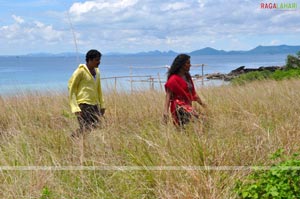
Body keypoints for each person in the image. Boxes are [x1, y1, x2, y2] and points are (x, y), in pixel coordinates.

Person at [68, 49, 105, 136]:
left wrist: (102, 105)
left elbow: (99, 89)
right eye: (97, 60)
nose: (99, 62)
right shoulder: (80, 71)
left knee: (95, 126)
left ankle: (79, 142)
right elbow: (71, 88)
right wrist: (75, 107)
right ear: (89, 60)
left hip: (95, 104)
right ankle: (73, 139)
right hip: (83, 105)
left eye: (99, 60)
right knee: (85, 127)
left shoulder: (97, 72)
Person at [163, 54, 206, 126]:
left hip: (188, 106)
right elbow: (168, 96)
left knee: (199, 122)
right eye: (188, 63)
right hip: (179, 107)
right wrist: (165, 112)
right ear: (182, 65)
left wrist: (204, 105)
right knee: (188, 126)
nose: (190, 65)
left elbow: (193, 94)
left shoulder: (187, 77)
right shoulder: (173, 79)